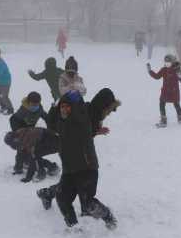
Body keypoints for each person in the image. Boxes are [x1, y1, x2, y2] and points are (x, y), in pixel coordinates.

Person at [36, 89, 120, 223]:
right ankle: (73, 226)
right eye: (63, 107)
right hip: (71, 166)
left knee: (86, 204)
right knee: (63, 197)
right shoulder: (71, 118)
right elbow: (57, 126)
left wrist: (95, 131)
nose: (64, 110)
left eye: (66, 107)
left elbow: (81, 128)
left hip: (86, 166)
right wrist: (57, 106)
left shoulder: (87, 114)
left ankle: (107, 217)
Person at [9, 91, 48, 175]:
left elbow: (46, 117)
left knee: (31, 148)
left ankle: (27, 161)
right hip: (21, 128)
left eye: (36, 104)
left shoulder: (39, 108)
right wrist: (17, 132)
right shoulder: (23, 110)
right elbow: (13, 120)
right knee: (21, 148)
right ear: (28, 102)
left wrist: (51, 124)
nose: (35, 106)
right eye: (33, 104)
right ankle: (18, 167)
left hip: (30, 129)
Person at [148, 55, 181, 127]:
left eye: (168, 62)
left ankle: (180, 119)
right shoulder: (164, 69)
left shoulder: (176, 70)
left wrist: (180, 76)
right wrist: (150, 71)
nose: (167, 63)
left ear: (172, 62)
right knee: (161, 104)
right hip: (165, 91)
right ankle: (163, 120)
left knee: (176, 104)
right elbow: (157, 76)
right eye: (165, 62)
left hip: (174, 91)